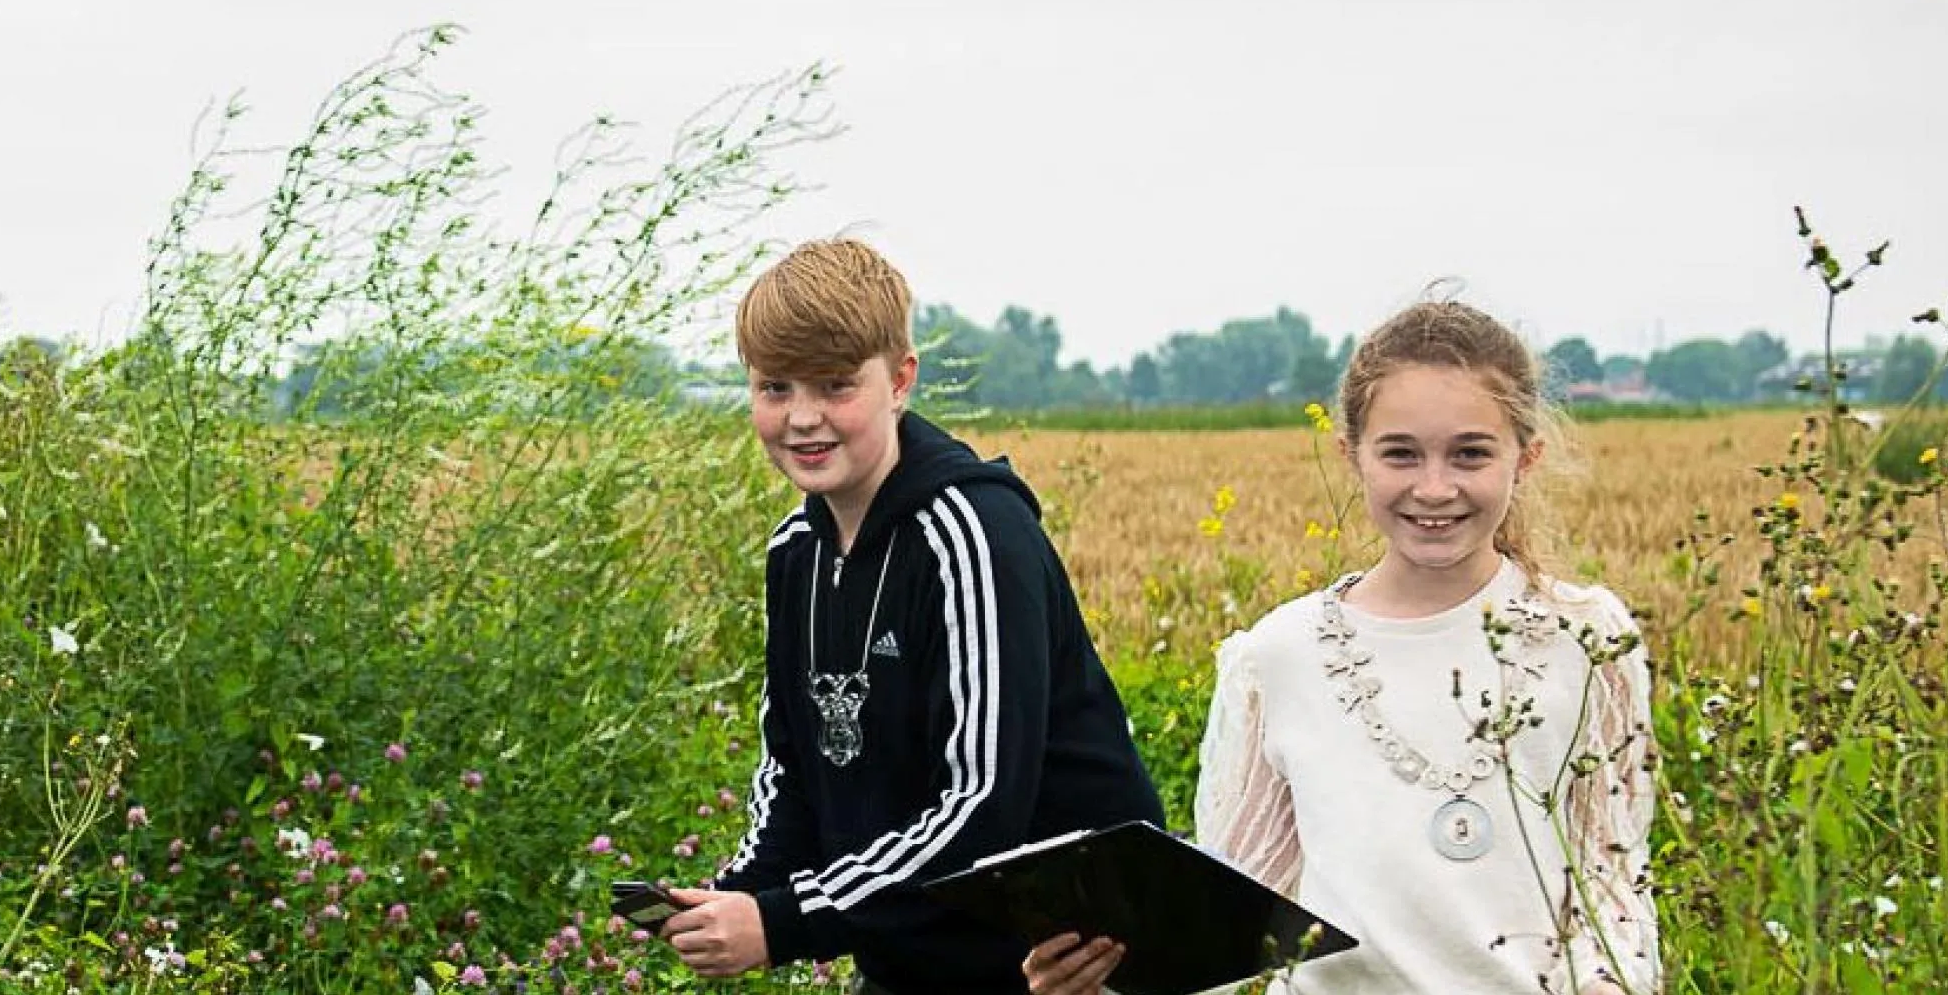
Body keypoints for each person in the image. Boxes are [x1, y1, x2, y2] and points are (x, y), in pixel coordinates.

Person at [1024, 297, 1663, 994]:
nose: (1435, 487)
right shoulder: (1280, 655)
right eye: (1400, 454)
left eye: (1471, 454)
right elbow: (1226, 920)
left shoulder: (1590, 638)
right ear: (1351, 455)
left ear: (1526, 457)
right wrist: (1096, 983)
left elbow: (1614, 885)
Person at [660, 237, 1165, 993]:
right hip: (914, 956)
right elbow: (793, 765)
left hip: (1062, 965)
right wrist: (741, 891)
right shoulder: (796, 552)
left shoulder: (974, 536)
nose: (803, 418)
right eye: (774, 388)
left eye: (835, 386)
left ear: (900, 381)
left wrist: (784, 920)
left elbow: (980, 806)